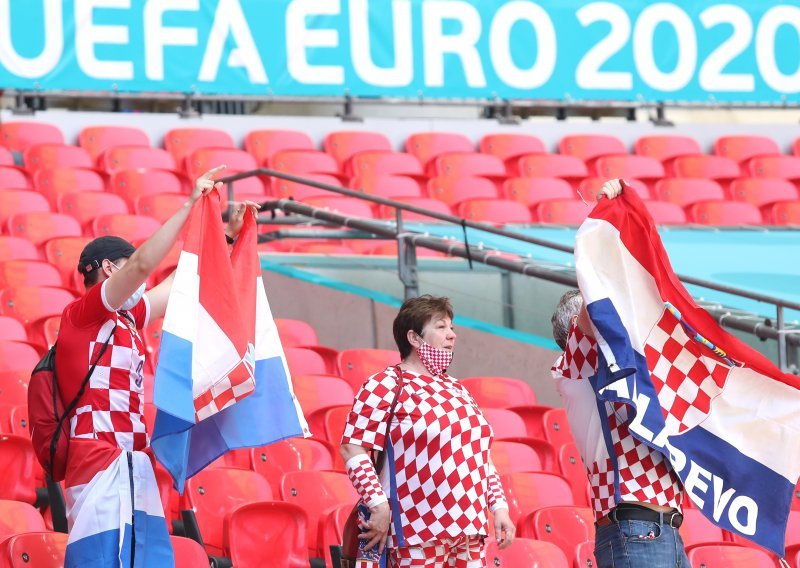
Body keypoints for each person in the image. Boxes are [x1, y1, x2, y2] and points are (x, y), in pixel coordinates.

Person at [56, 164, 258, 566]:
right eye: (128, 266)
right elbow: (143, 267)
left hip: (133, 459)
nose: (142, 284)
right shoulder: (83, 314)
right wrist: (189, 204)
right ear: (110, 269)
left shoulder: (129, 317)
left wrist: (226, 237)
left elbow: (185, 282)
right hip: (99, 460)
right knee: (102, 559)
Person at [550, 179, 689, 568]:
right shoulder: (574, 370)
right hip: (633, 529)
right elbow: (593, 306)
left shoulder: (632, 377)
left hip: (665, 530)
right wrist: (606, 228)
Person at [340, 295, 515, 567]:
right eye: (441, 327)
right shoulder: (385, 383)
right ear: (414, 337)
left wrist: (499, 507)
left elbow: (481, 457)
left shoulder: (459, 389)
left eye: (452, 328)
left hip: (469, 528)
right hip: (415, 530)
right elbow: (352, 446)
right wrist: (378, 503)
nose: (452, 335)